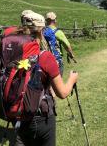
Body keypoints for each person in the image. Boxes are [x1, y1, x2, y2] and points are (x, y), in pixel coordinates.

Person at [15, 11, 78, 146]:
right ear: (41, 30)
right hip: (40, 118)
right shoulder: (45, 57)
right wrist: (72, 79)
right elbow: (63, 93)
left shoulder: (13, 53)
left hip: (17, 114)